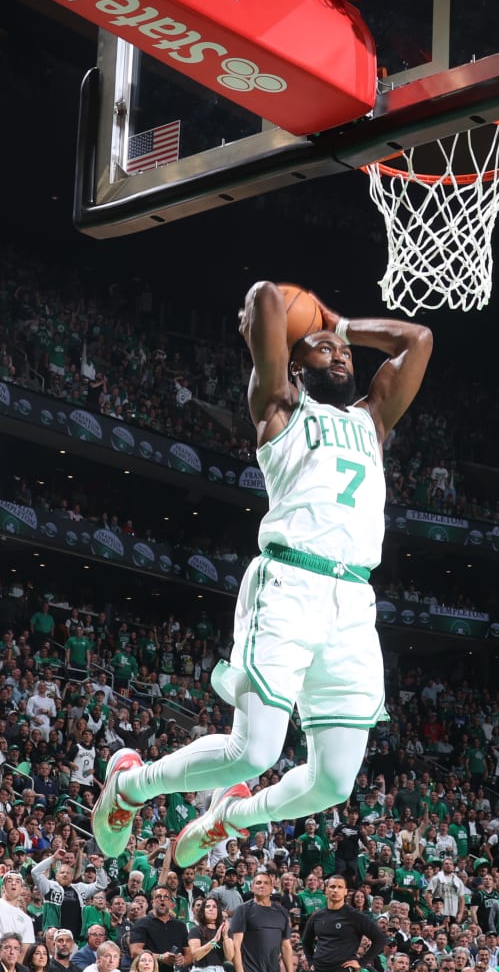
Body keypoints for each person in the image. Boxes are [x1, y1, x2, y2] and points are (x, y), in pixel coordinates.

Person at [93, 282, 433, 867]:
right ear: (294, 364)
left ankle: (230, 816)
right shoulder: (280, 408)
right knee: (255, 751)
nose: (341, 354)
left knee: (334, 783)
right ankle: (130, 785)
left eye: (344, 352)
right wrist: (312, 322)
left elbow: (419, 339)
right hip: (289, 584)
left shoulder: (373, 421)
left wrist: (342, 324)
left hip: (353, 601)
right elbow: (265, 297)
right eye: (323, 350)